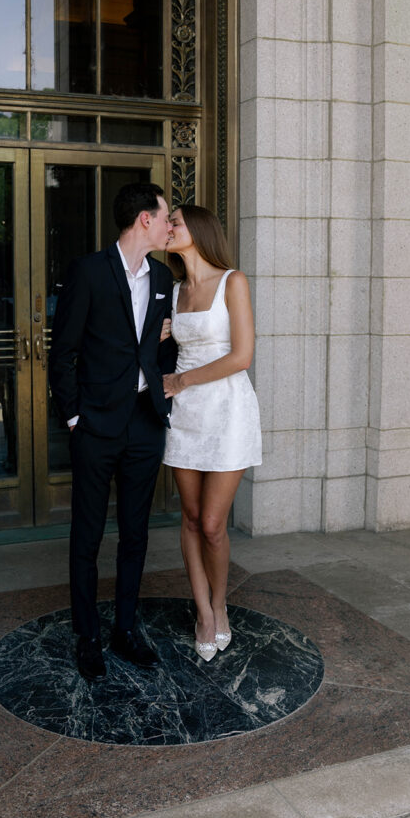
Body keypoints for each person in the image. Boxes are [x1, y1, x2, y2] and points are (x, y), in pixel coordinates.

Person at [49, 182, 177, 681]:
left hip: (145, 425)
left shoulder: (164, 277)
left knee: (136, 534)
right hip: (96, 426)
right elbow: (63, 353)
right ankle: (88, 637)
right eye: (166, 217)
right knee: (87, 536)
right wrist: (76, 417)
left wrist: (163, 346)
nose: (170, 226)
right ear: (144, 219)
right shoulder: (89, 271)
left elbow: (161, 354)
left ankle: (125, 629)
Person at [162, 204, 262, 662]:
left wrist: (180, 382)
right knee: (189, 516)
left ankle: (221, 603)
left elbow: (242, 356)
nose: (168, 228)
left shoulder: (232, 281)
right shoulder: (176, 290)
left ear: (197, 230)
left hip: (227, 411)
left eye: (175, 222)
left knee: (212, 524)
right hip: (184, 417)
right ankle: (203, 611)